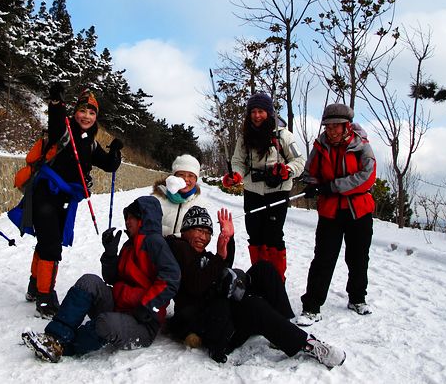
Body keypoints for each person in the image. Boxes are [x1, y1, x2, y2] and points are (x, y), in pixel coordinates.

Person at [166, 206, 345, 369]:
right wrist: (220, 258)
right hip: (213, 326)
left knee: (264, 268)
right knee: (253, 304)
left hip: (221, 311)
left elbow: (222, 268)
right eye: (199, 230)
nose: (203, 237)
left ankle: (282, 326)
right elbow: (196, 286)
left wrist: (229, 239)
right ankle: (306, 344)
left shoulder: (202, 255)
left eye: (207, 233)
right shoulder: (179, 249)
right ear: (185, 230)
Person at [21, 196, 180, 362]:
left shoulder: (155, 243)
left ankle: (63, 346)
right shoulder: (129, 245)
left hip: (142, 321)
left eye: (131, 217)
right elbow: (112, 278)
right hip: (119, 305)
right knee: (89, 281)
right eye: (126, 218)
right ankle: (54, 336)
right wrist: (110, 254)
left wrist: (147, 306)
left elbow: (171, 277)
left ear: (143, 218)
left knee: (104, 324)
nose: (127, 222)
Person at [19, 85, 123, 318]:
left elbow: (109, 165)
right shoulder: (63, 131)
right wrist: (56, 102)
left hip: (65, 200)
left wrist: (115, 151)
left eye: (92, 112)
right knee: (52, 246)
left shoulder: (91, 142)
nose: (86, 116)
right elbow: (55, 121)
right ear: (75, 112)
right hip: (45, 194)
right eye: (83, 111)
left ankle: (34, 287)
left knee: (47, 243)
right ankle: (45, 298)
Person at [296, 103, 376, 326]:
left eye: (335, 126)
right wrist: (312, 184)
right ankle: (311, 306)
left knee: (358, 256)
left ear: (346, 126)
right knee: (323, 258)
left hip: (358, 210)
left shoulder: (361, 146)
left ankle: (357, 298)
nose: (331, 131)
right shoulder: (320, 146)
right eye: (327, 126)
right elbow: (310, 172)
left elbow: (367, 177)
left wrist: (334, 186)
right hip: (330, 212)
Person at [222, 92, 305, 281]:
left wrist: (287, 170)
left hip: (277, 192)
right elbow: (238, 161)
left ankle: (276, 280)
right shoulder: (245, 138)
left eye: (261, 111)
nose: (256, 115)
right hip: (252, 192)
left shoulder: (284, 136)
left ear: (269, 113)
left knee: (273, 237)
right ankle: (259, 276)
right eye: (253, 111)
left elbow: (299, 160)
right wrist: (236, 174)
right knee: (255, 235)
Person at [152, 153, 203, 236]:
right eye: (181, 175)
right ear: (174, 176)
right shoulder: (156, 199)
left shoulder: (200, 205)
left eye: (191, 176)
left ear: (196, 179)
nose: (186, 179)